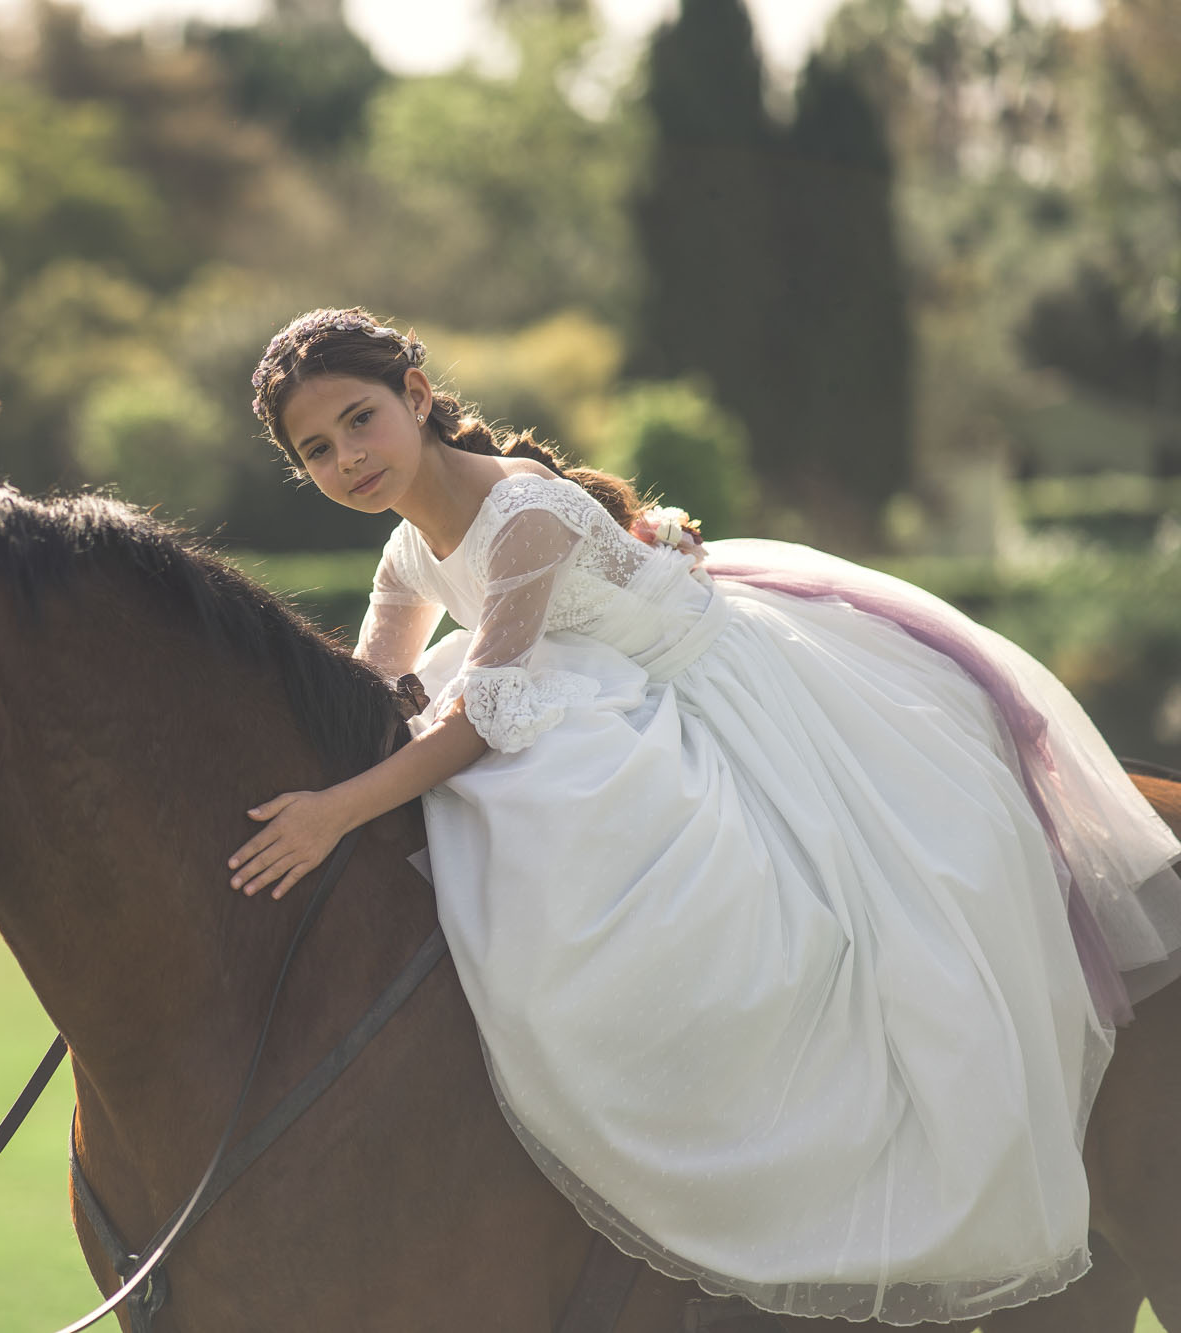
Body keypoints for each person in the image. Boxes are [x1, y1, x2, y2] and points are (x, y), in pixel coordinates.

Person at [228, 307, 1181, 1324]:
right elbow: (374, 690)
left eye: (359, 420)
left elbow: (488, 713)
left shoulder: (520, 512)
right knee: (527, 790)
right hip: (593, 691)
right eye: (316, 450)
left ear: (415, 396)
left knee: (751, 886)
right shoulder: (409, 555)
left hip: (709, 690)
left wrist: (335, 811)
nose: (346, 459)